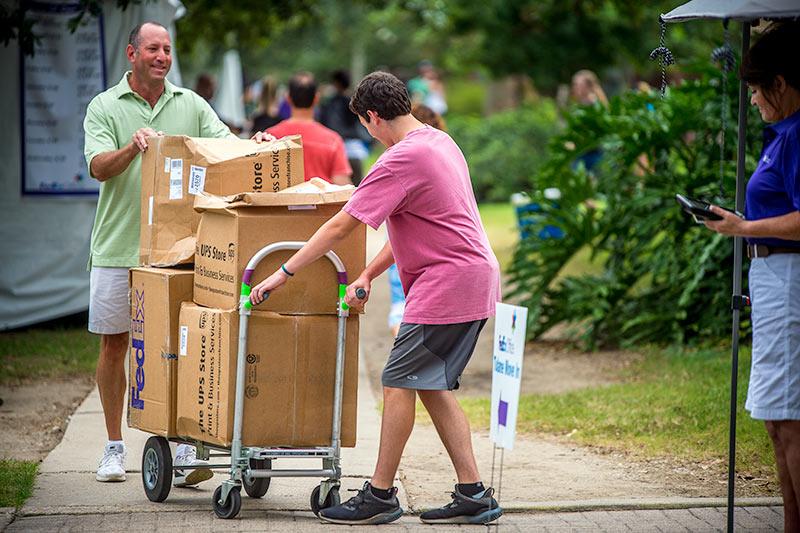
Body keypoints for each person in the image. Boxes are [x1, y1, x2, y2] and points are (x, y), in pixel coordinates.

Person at [250, 71, 503, 525]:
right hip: (473, 277)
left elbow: (340, 225)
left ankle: (380, 495)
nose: (367, 133)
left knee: (396, 381)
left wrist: (283, 273)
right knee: (429, 385)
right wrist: (367, 272)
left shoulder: (398, 160)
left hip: (448, 284)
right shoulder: (439, 142)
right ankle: (473, 494)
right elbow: (421, 226)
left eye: (365, 125)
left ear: (371, 116)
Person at [83, 21, 234, 484]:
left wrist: (258, 143)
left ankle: (183, 444)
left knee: (181, 346)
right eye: (153, 48)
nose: (162, 56)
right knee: (116, 346)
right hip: (117, 248)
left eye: (167, 49)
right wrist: (132, 147)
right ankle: (113, 446)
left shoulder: (189, 103)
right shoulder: (105, 106)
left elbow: (224, 145)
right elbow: (97, 167)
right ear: (132, 53)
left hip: (177, 251)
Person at [702, 21, 800, 532]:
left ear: (780, 84)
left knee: (789, 417)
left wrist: (745, 227)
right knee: (776, 416)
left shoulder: (798, 133)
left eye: (758, 92)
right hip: (772, 277)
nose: (755, 102)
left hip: (789, 278)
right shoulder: (782, 132)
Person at [386, 103, 447, 337]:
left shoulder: (398, 157)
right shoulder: (443, 153)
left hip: (407, 264)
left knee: (402, 308)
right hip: (434, 263)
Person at [256, 71, 352, 185]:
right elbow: (342, 184)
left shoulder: (270, 137)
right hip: (320, 202)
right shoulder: (333, 140)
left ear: (288, 98)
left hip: (282, 202)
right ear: (316, 98)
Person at [319, 69, 371, 185]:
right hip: (354, 149)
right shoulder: (353, 101)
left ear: (336, 83)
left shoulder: (330, 103)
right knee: (357, 187)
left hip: (335, 148)